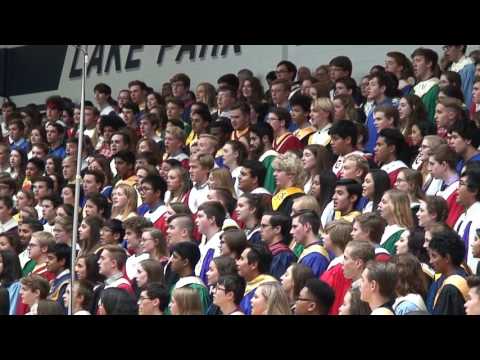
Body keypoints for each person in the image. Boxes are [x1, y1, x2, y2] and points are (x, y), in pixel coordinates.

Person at [427, 229, 469, 315]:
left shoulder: (452, 287)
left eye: (434, 256)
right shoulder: (461, 274)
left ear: (447, 258)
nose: (430, 261)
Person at [320, 220, 354, 315]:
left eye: (326, 233)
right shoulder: (337, 262)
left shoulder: (341, 268)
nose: (322, 236)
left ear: (336, 238)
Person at [169, 241, 210, 314]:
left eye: (175, 257)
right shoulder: (176, 283)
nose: (171, 260)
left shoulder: (197, 289)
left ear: (185, 262)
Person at [428, 144, 464, 227]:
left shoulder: (457, 191)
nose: (429, 168)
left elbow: (450, 223)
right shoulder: (441, 185)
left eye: (432, 164)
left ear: (444, 165)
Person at [236, 242, 277, 315]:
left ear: (254, 265)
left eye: (241, 259)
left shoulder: (268, 289)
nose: (237, 263)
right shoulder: (250, 283)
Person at [454, 166, 480, 274]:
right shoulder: (463, 216)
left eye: (461, 184)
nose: (457, 189)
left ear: (474, 190)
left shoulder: (478, 216)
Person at [290, 211, 330, 277]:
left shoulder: (317, 257)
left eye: (295, 227)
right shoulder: (310, 251)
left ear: (307, 227)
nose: (291, 231)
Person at [260, 212, 296, 280]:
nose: (260, 229)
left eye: (264, 226)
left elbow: (275, 284)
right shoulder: (266, 249)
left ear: (277, 229)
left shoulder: (283, 255)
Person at [378, 189, 414, 254]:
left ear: (396, 206)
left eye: (384, 202)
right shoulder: (383, 229)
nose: (379, 205)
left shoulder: (404, 234)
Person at [271, 152, 306, 217]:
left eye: (278, 170)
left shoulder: (298, 199)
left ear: (291, 174)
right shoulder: (278, 194)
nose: (274, 174)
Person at [411, 47, 440, 124]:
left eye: (418, 60)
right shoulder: (414, 89)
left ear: (429, 63)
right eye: (413, 61)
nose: (414, 64)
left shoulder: (436, 88)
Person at [46, 243, 71, 314]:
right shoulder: (56, 280)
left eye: (50, 258)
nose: (46, 261)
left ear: (62, 261)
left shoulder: (66, 283)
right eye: (47, 258)